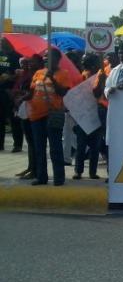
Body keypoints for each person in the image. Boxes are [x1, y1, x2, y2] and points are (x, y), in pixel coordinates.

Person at [25, 49, 72, 186]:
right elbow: (32, 91)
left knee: (55, 147)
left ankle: (58, 178)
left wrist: (52, 78)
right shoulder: (38, 73)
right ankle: (41, 177)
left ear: (57, 59)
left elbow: (62, 92)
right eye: (45, 58)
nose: (46, 60)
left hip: (52, 115)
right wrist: (22, 97)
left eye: (49, 57)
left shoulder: (64, 74)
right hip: (36, 115)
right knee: (39, 147)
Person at [73, 54, 102, 180]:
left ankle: (90, 172)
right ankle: (80, 171)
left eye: (86, 61)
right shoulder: (83, 75)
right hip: (85, 113)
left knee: (93, 146)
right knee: (83, 145)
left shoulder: (101, 74)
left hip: (96, 113)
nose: (84, 64)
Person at [13, 56, 39, 178]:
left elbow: (32, 93)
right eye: (24, 63)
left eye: (29, 62)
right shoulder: (24, 75)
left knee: (33, 142)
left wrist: (21, 95)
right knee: (29, 141)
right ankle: (30, 167)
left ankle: (35, 169)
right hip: (23, 108)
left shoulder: (35, 75)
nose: (27, 65)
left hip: (32, 109)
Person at [0, 38, 22, 151]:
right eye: (1, 42)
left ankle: (17, 144)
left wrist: (10, 77)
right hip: (0, 90)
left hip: (11, 92)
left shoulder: (16, 56)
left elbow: (20, 74)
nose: (2, 44)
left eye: (4, 42)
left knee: (14, 119)